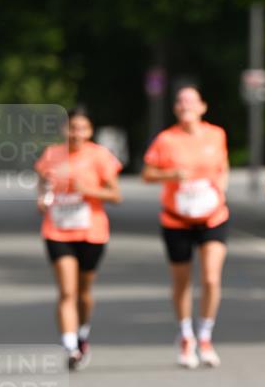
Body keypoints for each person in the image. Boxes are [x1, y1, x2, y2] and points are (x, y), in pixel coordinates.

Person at [142, 86, 229, 368]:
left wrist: (220, 192)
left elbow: (222, 167)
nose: (185, 105)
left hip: (212, 216)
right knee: (182, 281)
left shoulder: (216, 134)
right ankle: (185, 335)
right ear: (175, 108)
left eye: (191, 101)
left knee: (212, 278)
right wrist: (170, 174)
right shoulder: (166, 139)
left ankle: (205, 336)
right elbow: (147, 174)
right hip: (176, 218)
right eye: (180, 101)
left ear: (203, 106)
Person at [35, 107, 122, 369]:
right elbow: (42, 185)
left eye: (82, 128)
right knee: (66, 291)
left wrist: (89, 190)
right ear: (65, 129)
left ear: (90, 131)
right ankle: (70, 346)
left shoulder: (99, 156)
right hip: (57, 230)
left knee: (84, 293)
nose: (76, 133)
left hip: (91, 231)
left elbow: (116, 195)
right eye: (72, 128)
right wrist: (42, 197)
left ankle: (82, 332)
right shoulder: (52, 154)